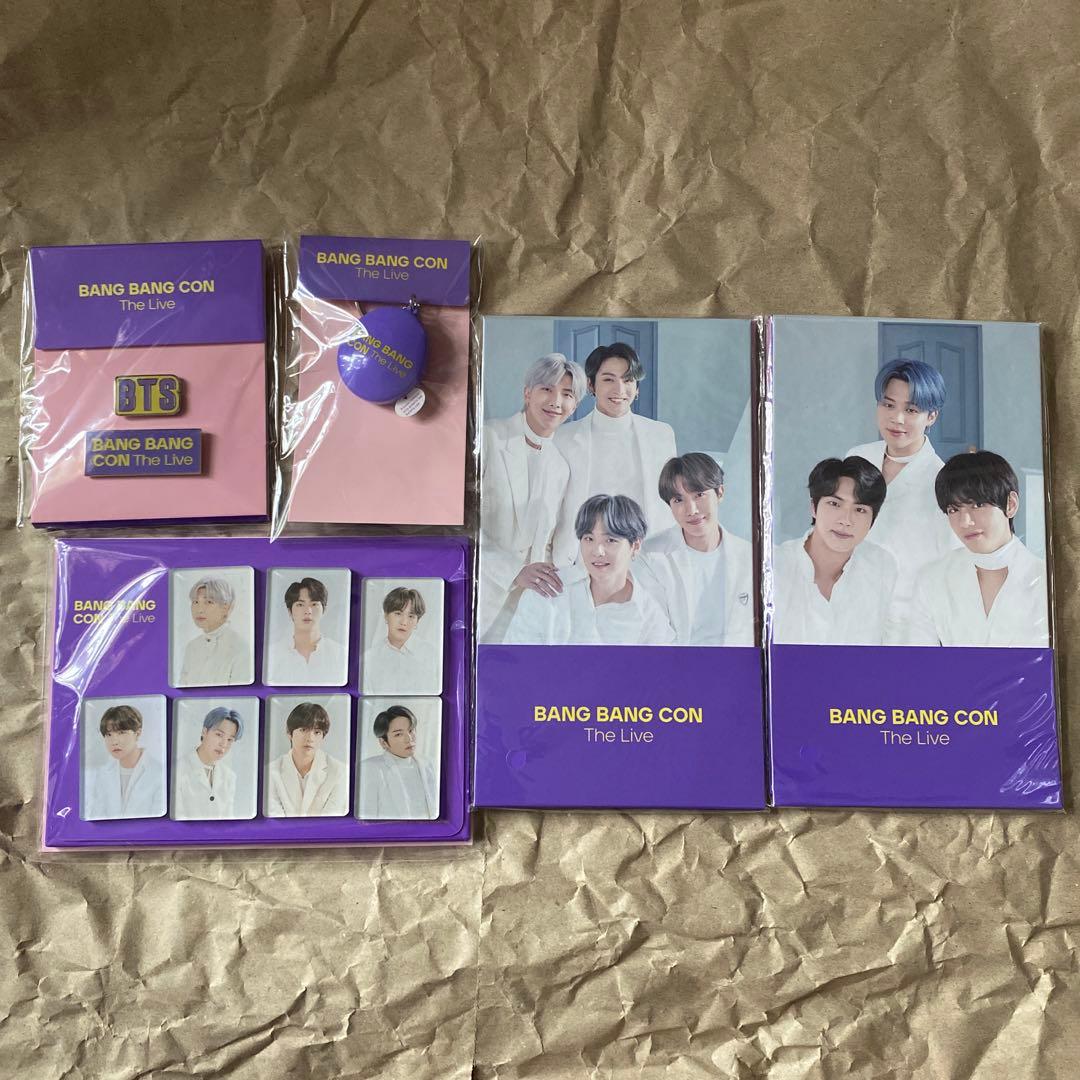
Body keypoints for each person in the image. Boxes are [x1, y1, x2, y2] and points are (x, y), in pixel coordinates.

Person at [846, 358, 960, 628]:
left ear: (931, 416)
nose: (897, 419)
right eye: (888, 405)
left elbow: (954, 565)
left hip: (908, 621)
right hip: (851, 607)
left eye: (911, 410)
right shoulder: (857, 458)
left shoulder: (944, 481)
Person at [479, 353, 585, 643]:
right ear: (528, 393)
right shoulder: (489, 438)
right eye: (547, 389)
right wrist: (514, 571)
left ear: (575, 405)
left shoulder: (560, 467)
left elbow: (548, 543)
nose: (556, 402)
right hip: (483, 591)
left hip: (528, 609)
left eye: (567, 394)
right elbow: (463, 526)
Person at [551, 343, 677, 567]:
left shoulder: (661, 435)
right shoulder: (563, 438)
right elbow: (551, 507)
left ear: (637, 388)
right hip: (581, 560)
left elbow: (670, 500)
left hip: (647, 559)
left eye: (628, 380)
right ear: (591, 385)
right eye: (608, 379)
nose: (619, 389)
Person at [906, 451, 1049, 646]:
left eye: (978, 505)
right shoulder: (931, 579)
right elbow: (920, 657)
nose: (965, 522)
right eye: (954, 509)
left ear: (1011, 504)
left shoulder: (1048, 582)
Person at [506, 494, 676, 645]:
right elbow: (515, 661)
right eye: (589, 539)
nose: (597, 551)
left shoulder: (650, 617)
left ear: (635, 546)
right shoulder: (546, 589)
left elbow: (661, 668)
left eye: (610, 540)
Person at [773, 457, 898, 645]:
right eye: (835, 504)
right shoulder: (774, 566)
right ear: (813, 507)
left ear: (873, 519)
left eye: (860, 510)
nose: (846, 520)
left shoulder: (882, 566)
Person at [636, 453, 755, 645]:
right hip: (676, 661)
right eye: (678, 500)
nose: (691, 510)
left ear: (720, 493)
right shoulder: (649, 557)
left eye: (699, 495)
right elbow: (655, 633)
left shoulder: (750, 557)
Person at [83, 703, 165, 820]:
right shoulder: (101, 775)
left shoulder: (159, 773)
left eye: (121, 732)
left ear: (138, 733)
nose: (114, 741)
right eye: (109, 734)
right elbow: (95, 815)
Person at [266, 701, 348, 817]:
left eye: (317, 732)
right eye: (303, 730)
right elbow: (275, 819)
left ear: (323, 737)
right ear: (289, 733)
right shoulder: (271, 772)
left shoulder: (340, 772)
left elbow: (330, 821)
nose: (310, 738)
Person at [357, 705, 439, 820]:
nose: (409, 739)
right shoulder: (370, 769)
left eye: (411, 730)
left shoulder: (426, 765)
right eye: (398, 734)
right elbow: (366, 819)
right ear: (383, 742)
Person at [266, 576, 348, 686]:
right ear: (290, 611)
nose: (308, 611)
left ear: (324, 609)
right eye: (300, 604)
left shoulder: (339, 653)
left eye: (314, 604)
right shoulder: (273, 653)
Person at [363, 586, 438, 694]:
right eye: (398, 613)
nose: (404, 622)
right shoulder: (370, 657)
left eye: (411, 616)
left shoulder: (430, 655)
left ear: (417, 621)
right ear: (386, 616)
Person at [178, 575, 250, 687]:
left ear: (225, 607)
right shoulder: (192, 647)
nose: (199, 609)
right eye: (196, 602)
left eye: (208, 602)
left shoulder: (240, 647)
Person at [173, 706, 244, 820]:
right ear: (204, 732)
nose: (223, 744)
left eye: (230, 739)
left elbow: (228, 820)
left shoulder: (229, 777)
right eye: (219, 735)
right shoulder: (177, 769)